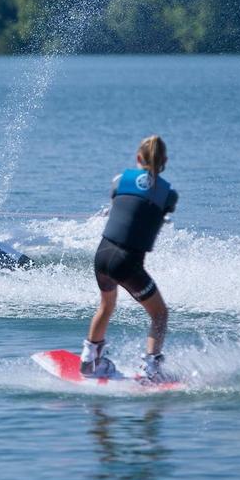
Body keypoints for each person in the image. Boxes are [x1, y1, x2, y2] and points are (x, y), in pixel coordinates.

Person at [80, 135, 178, 381]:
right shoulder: (169, 194)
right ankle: (151, 371)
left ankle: (90, 361)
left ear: (138, 158)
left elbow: (121, 201)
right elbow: (158, 207)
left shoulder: (120, 180)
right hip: (127, 261)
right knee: (159, 314)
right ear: (165, 160)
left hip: (102, 256)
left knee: (106, 305)